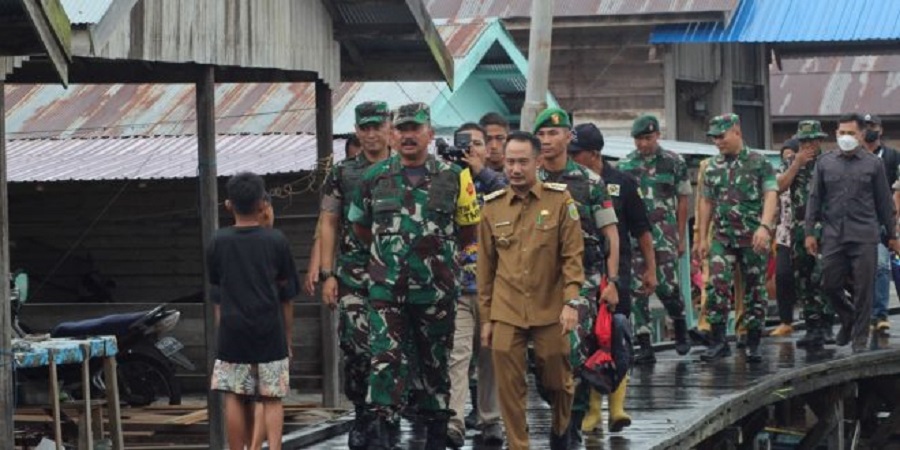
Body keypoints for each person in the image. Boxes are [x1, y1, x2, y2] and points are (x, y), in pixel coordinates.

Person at [349, 103, 480, 448]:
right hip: (386, 291)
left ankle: (436, 434)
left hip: (436, 292)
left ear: (430, 134)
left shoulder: (455, 176)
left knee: (434, 364)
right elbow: (361, 226)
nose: (408, 135)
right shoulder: (373, 177)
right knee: (384, 360)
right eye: (402, 129)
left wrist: (443, 260)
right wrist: (388, 255)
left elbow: (469, 230)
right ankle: (382, 433)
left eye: (415, 129)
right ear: (393, 135)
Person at [477, 130, 585, 450]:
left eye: (523, 162)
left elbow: (572, 257)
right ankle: (519, 445)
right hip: (506, 308)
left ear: (538, 162)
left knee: (557, 379)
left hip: (550, 306)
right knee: (509, 387)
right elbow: (486, 269)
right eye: (510, 162)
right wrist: (486, 319)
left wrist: (571, 302)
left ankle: (561, 424)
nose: (515, 169)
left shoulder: (560, 200)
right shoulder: (492, 207)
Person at [533, 107, 619, 443]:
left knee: (570, 351)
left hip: (582, 279)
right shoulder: (530, 180)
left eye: (553, 134)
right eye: (541, 135)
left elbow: (610, 233)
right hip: (536, 282)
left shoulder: (591, 182)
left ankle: (571, 423)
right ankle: (561, 411)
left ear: (569, 137)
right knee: (539, 360)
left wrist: (611, 282)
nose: (547, 140)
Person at [568, 123, 653, 434]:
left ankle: (617, 407)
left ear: (593, 154)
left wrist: (651, 269)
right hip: (583, 274)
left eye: (576, 154)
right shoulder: (567, 182)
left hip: (617, 275)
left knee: (617, 335)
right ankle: (592, 410)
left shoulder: (623, 182)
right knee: (589, 340)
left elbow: (642, 229)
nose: (572, 158)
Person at [317, 101, 393, 448]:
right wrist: (327, 273)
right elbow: (329, 221)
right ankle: (364, 412)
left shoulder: (405, 168)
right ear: (357, 130)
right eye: (365, 128)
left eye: (378, 126)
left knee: (393, 351)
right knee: (358, 349)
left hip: (399, 275)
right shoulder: (343, 173)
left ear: (389, 126)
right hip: (354, 274)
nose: (372, 133)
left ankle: (388, 416)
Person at [207, 172, 299, 450]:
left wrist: (223, 331)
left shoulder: (217, 242)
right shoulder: (276, 241)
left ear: (228, 205)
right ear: (262, 204)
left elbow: (217, 296)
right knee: (272, 398)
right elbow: (286, 296)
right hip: (269, 330)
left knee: (234, 395)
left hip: (233, 330)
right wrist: (288, 337)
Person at [805, 113, 899, 353]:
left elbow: (885, 203)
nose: (846, 138)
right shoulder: (825, 162)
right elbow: (815, 199)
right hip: (834, 234)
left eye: (851, 133)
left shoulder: (873, 164)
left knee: (864, 289)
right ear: (836, 134)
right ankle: (847, 318)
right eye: (841, 133)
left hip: (865, 235)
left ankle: (859, 341)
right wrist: (809, 232)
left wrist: (893, 236)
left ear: (861, 135)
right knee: (829, 283)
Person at [698, 113, 778, 363]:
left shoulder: (758, 162)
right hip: (723, 235)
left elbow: (771, 194)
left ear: (736, 132)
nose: (718, 142)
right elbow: (706, 203)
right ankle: (718, 341)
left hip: (753, 236)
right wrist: (701, 236)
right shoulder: (711, 166)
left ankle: (753, 341)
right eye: (714, 138)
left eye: (722, 136)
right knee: (716, 285)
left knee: (755, 289)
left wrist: (765, 227)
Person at [446, 122, 505, 448]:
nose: (471, 150)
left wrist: (479, 171)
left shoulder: (497, 181)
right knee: (457, 354)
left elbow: (511, 195)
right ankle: (454, 421)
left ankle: (490, 419)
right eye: (465, 144)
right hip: (457, 285)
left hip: (493, 286)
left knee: (491, 355)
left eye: (477, 144)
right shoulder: (447, 178)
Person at [617, 114, 693, 363]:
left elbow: (683, 199)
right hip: (636, 237)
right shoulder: (625, 166)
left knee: (667, 287)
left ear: (657, 136)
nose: (643, 144)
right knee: (638, 290)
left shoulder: (673, 162)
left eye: (647, 138)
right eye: (638, 139)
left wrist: (681, 236)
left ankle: (679, 324)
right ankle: (644, 343)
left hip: (665, 236)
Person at [690, 156, 746, 348]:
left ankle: (744, 329)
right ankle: (707, 326)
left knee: (744, 281)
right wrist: (699, 236)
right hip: (718, 233)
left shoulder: (753, 163)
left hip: (746, 230)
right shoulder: (707, 166)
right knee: (712, 280)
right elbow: (702, 203)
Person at [862, 114, 898, 335]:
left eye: (873, 126)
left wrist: (893, 223)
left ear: (880, 130)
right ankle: (864, 313)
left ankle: (880, 314)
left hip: (885, 221)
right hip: (859, 221)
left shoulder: (893, 156)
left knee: (882, 265)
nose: (869, 130)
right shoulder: (853, 157)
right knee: (860, 270)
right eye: (865, 126)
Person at [771, 139, 799, 337]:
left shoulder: (812, 172)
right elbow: (775, 195)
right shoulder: (779, 174)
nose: (788, 158)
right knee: (782, 275)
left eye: (791, 154)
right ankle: (785, 320)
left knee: (813, 277)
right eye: (785, 156)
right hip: (784, 232)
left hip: (808, 231)